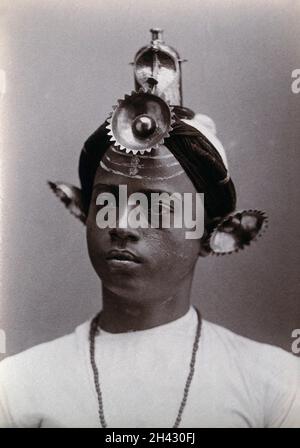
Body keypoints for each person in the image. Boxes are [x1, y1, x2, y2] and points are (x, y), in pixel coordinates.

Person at [0, 29, 299, 428]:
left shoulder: (276, 388)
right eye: (108, 203)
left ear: (214, 234)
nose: (123, 225)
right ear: (83, 212)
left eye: (157, 207)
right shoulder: (17, 388)